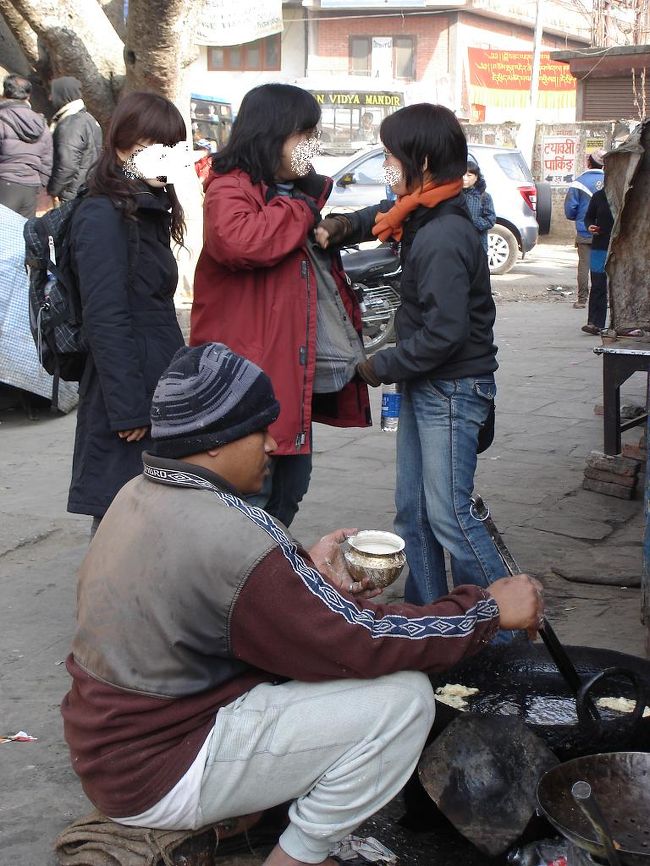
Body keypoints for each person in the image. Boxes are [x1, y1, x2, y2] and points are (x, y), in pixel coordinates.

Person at [61, 341, 545, 866]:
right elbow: (364, 640)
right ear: (216, 441)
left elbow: (228, 606)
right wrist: (486, 611)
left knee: (322, 671)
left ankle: (249, 812)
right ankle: (296, 857)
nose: (273, 444)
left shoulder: (137, 492)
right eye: (259, 429)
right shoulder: (233, 533)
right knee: (404, 701)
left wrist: (303, 577)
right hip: (159, 769)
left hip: (110, 751)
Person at [315, 104, 509, 614]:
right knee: (413, 514)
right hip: (428, 383)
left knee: (450, 517)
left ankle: (502, 620)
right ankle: (429, 620)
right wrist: (339, 227)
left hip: (452, 387)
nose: (386, 165)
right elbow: (380, 217)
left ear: (420, 160)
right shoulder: (422, 214)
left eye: (390, 155)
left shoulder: (444, 233)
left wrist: (380, 365)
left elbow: (445, 334)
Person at [190, 83, 370, 528]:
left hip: (288, 376)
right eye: (303, 134)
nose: (312, 144)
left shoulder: (290, 192)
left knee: (290, 488)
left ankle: (269, 581)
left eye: (315, 134)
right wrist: (303, 208)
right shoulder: (230, 187)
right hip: (245, 381)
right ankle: (240, 591)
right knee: (249, 500)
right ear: (272, 133)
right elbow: (241, 241)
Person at [66, 91, 186, 532]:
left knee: (154, 522)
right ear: (122, 146)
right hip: (128, 396)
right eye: (157, 148)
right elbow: (105, 317)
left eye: (175, 148)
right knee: (123, 522)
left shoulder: (145, 209)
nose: (168, 159)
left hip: (157, 383)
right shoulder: (102, 213)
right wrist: (128, 409)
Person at [0, 73, 52, 218]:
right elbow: (47, 160)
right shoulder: (41, 124)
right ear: (28, 96)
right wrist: (39, 184)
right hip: (31, 187)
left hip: (4, 183)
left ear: (5, 93)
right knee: (21, 236)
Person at [48, 76, 102, 205]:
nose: (50, 98)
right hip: (86, 188)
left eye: (53, 93)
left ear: (63, 94)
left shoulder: (71, 123)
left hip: (70, 193)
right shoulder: (88, 118)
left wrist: (52, 190)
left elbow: (67, 165)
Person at [564, 149, 605, 310]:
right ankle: (606, 298)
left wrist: (581, 219)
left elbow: (570, 210)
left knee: (584, 265)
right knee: (604, 266)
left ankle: (582, 300)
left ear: (588, 163)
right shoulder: (611, 181)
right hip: (606, 232)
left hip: (584, 231)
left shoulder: (578, 183)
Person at [581, 184, 614, 335]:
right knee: (598, 284)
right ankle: (595, 323)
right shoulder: (599, 196)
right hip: (600, 245)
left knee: (620, 284)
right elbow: (588, 217)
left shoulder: (627, 193)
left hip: (621, 247)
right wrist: (590, 226)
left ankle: (622, 323)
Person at [462, 156, 496, 253]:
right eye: (462, 175)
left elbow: (490, 220)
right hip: (458, 243)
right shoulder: (454, 195)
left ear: (476, 177)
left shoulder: (484, 197)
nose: (465, 178)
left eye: (469, 175)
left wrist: (472, 220)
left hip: (478, 244)